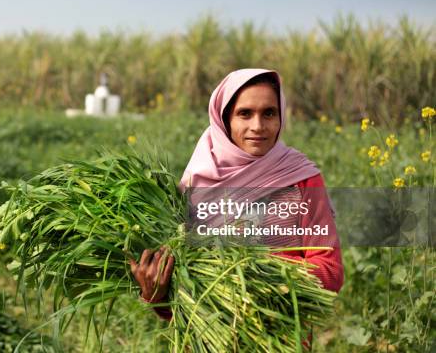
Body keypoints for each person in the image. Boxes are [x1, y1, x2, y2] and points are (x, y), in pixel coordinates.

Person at [129, 68, 344, 322]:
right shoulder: (195, 186)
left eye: (269, 113)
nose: (258, 126)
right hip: (208, 339)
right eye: (245, 114)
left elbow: (330, 270)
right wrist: (156, 292)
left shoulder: (302, 179)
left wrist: (255, 274)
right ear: (225, 119)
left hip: (281, 335)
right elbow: (180, 299)